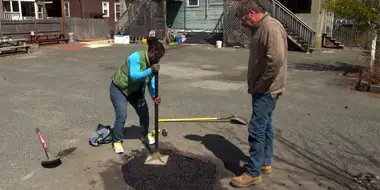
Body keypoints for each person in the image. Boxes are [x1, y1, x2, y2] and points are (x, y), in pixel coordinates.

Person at [231, 0, 288, 188]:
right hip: (264, 88)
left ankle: (253, 173)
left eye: (243, 19)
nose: (243, 23)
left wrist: (262, 85)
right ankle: (264, 162)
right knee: (265, 125)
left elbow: (276, 61)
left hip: (266, 89)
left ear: (252, 12)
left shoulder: (270, 27)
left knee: (256, 128)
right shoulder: (261, 28)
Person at [109, 37, 165, 154]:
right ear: (150, 52)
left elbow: (151, 82)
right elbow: (134, 76)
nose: (158, 60)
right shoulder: (136, 57)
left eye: (160, 58)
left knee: (144, 113)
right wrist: (150, 70)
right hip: (119, 89)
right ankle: (117, 141)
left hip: (135, 91)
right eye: (157, 57)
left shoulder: (152, 63)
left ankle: (145, 133)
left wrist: (155, 96)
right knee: (122, 115)